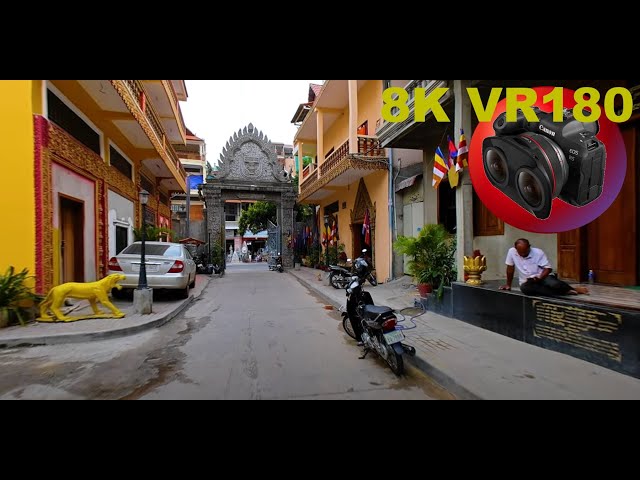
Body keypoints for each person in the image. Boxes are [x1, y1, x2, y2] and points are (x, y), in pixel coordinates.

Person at [499, 239, 589, 297]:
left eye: (525, 252)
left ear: (529, 247)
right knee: (525, 289)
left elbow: (548, 268)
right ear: (515, 249)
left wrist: (539, 278)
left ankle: (571, 289)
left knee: (554, 284)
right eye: (520, 253)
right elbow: (510, 269)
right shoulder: (511, 252)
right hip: (528, 281)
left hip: (543, 276)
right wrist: (508, 285)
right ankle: (564, 291)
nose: (523, 255)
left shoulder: (538, 252)